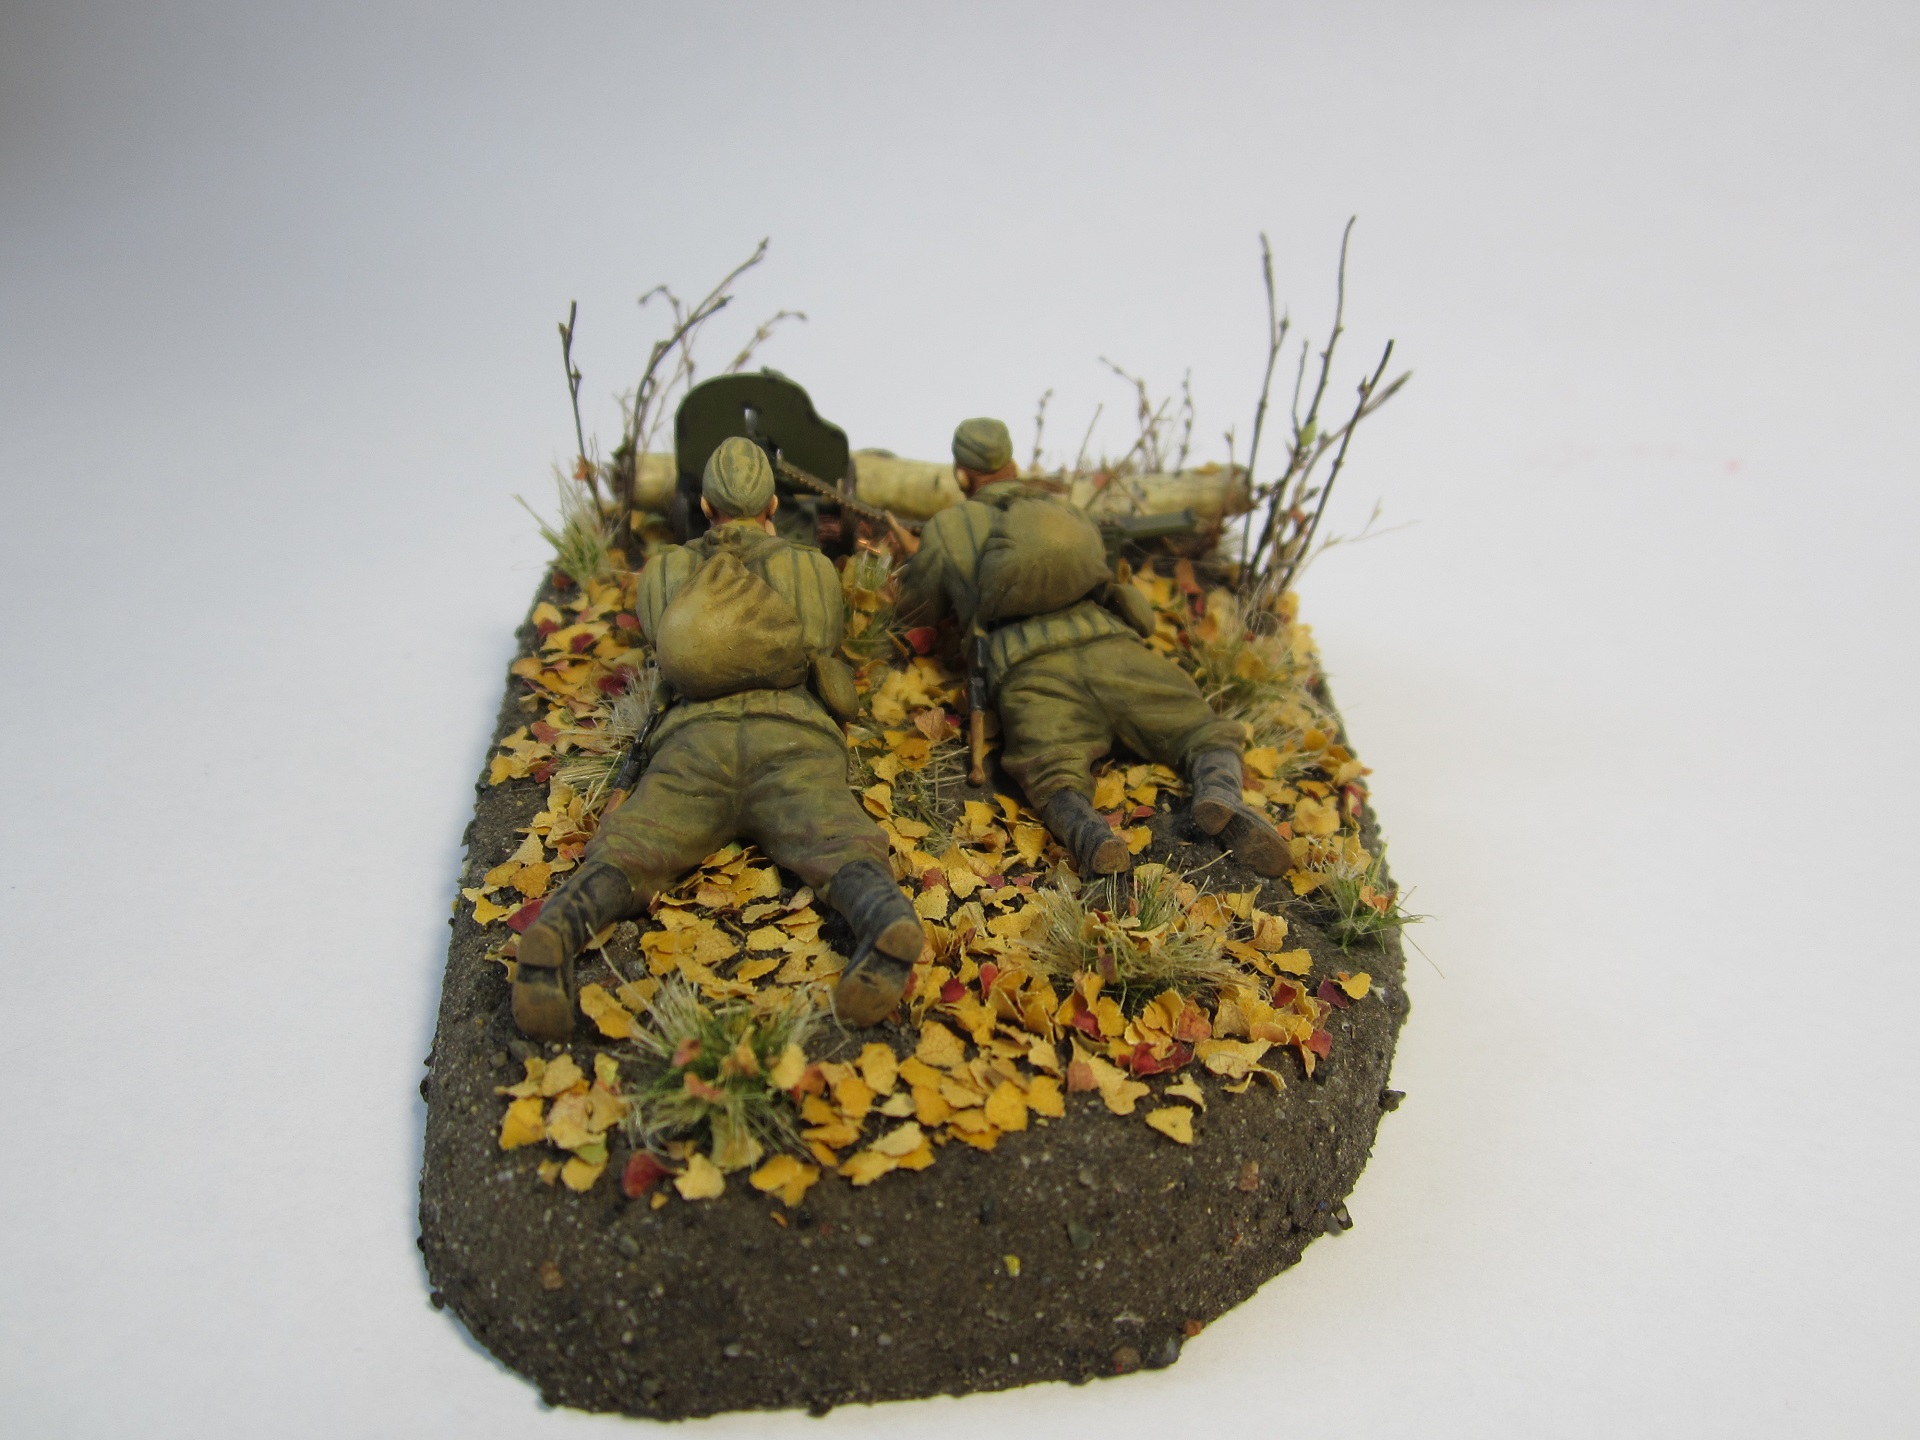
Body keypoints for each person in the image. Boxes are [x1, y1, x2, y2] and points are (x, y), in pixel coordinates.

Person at [512, 438, 925, 1041]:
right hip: (793, 735)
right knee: (840, 841)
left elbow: (664, 646)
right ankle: (884, 920)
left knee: (632, 846)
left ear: (705, 506)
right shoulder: (810, 567)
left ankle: (557, 929)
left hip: (693, 740)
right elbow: (822, 644)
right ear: (774, 506)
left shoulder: (666, 570)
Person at [893, 417, 1289, 879]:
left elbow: (916, 609)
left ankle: (1093, 839)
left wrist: (910, 565)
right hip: (1109, 645)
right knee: (1200, 728)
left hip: (1026, 667)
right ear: (1012, 464)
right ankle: (1219, 795)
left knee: (1050, 769)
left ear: (963, 475)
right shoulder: (1064, 510)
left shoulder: (947, 527)